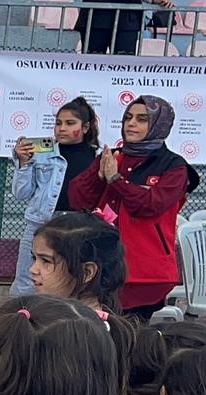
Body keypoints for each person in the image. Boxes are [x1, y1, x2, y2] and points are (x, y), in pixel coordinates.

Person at [69, 95, 200, 321]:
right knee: (101, 331)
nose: (131, 124)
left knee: (131, 334)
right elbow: (77, 199)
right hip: (104, 263)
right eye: (128, 117)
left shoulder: (174, 166)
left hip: (145, 273)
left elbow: (150, 205)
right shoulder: (114, 157)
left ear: (158, 125)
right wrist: (99, 176)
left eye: (141, 119)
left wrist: (117, 180)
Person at [10, 97, 101, 296]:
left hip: (78, 227)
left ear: (85, 128)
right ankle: (20, 319)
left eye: (70, 123)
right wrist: (23, 163)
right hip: (40, 223)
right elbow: (20, 193)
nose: (62, 128)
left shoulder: (99, 156)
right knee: (28, 277)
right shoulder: (41, 150)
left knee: (71, 277)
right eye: (58, 123)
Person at [28, 211, 127, 312]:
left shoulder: (84, 326)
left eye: (46, 260)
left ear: (87, 272)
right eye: (34, 258)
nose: (33, 269)